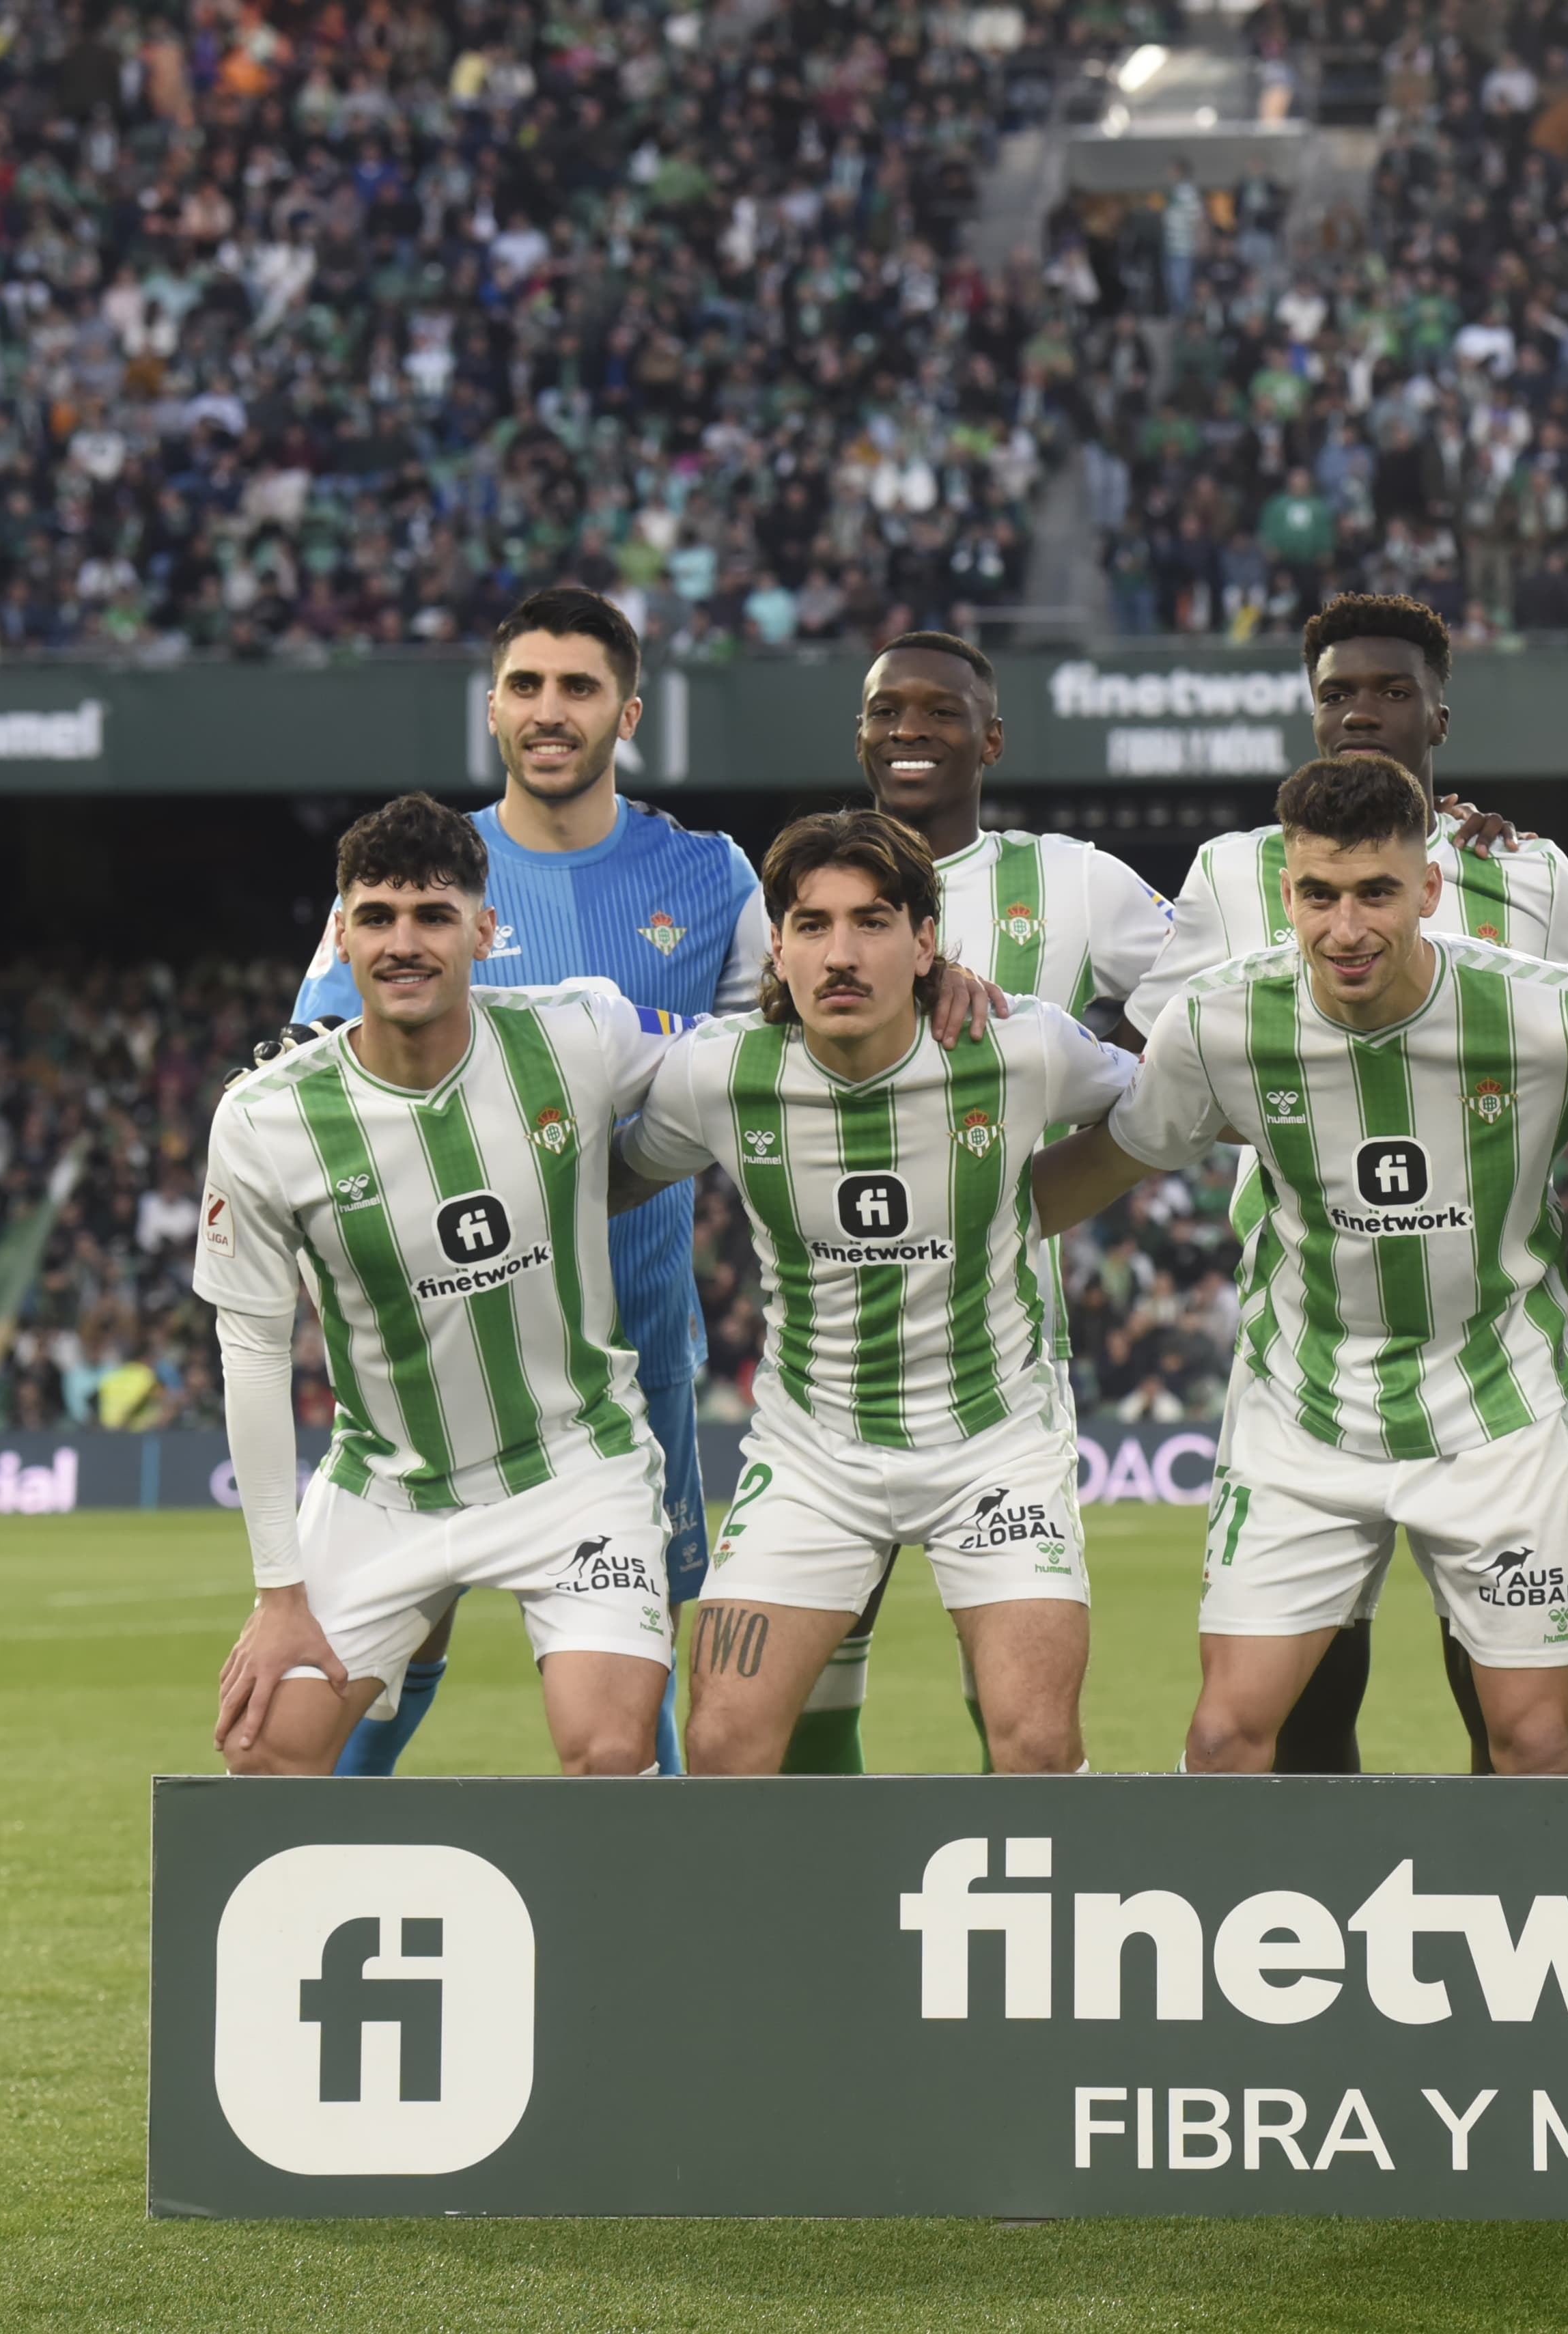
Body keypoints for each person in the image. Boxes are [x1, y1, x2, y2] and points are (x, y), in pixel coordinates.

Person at [1028, 755, 1568, 1774]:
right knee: (1223, 1737)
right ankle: (1263, 1938)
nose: (1346, 927)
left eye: (1378, 892)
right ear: (1285, 891)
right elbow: (1113, 1159)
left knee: (1535, 1740)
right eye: (1319, 895)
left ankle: (1535, 1935)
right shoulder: (1219, 1022)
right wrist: (952, 1226)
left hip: (1496, 1413)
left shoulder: (1540, 1013)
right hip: (1305, 1413)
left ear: (1428, 888)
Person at [293, 587, 762, 1777]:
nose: (551, 712)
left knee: (631, 1653)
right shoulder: (424, 870)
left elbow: (768, 1074)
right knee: (387, 1653)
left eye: (580, 687)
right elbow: (317, 1078)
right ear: (492, 706)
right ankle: (310, 1895)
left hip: (632, 1335)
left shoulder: (712, 874)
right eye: (527, 686)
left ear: (629, 711)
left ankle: (641, 1925)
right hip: (430, 1346)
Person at [1128, 592, 1568, 1775]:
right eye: (1337, 692)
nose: (1361, 712)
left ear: (1440, 710)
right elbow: (1174, 1067)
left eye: (1390, 691)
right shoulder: (1235, 872)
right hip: (1310, 1342)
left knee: (1497, 1698)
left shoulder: (1529, 871)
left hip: (1485, 1345)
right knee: (1299, 1701)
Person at [622, 810, 1132, 1776]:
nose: (840, 954)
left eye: (872, 921)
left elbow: (1157, 1113)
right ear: (776, 943)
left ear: (927, 940)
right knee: (725, 1741)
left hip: (996, 1445)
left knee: (1035, 1742)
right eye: (811, 925)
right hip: (814, 1452)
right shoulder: (719, 1075)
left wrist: (1041, 1202)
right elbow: (616, 1176)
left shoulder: (1024, 1050)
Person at [205, 795, 684, 1777]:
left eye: (432, 915)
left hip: (573, 1462)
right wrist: (277, 1591)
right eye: (376, 917)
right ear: (342, 936)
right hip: (386, 1485)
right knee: (265, 1762)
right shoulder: (263, 1119)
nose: (403, 942)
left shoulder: (578, 1031)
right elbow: (252, 1354)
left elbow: (734, 1052)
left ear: (485, 929)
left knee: (607, 1749)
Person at [809, 628, 1174, 1773]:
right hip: (818, 1362)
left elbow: (1194, 1017)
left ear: (991, 739)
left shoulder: (1073, 882)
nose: (910, 730)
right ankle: (830, 1916)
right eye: (886, 711)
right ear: (860, 734)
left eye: (940, 711)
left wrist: (1071, 1102)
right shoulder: (801, 887)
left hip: (999, 1359)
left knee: (1015, 1706)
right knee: (802, 1690)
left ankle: (1005, 1914)